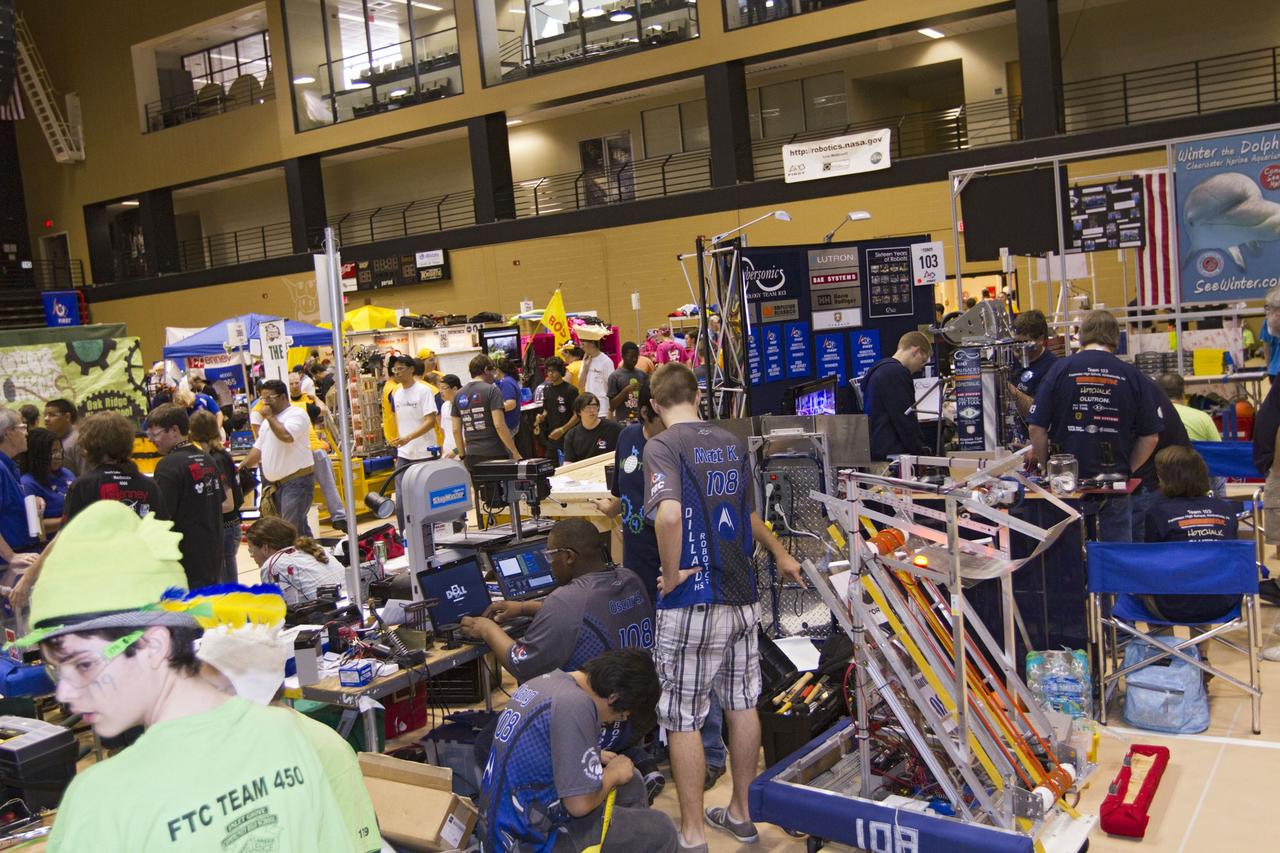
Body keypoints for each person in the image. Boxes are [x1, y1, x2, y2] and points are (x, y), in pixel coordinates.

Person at [16, 501, 355, 851]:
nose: (66, 694)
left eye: (83, 664)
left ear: (152, 644)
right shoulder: (288, 736)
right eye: (57, 668)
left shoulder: (101, 801)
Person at [643, 363, 803, 851]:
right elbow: (749, 514)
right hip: (742, 597)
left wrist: (671, 575)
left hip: (693, 602)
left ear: (654, 405)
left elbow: (668, 513)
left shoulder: (662, 446)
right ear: (698, 395)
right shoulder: (732, 443)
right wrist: (779, 552)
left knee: (683, 717)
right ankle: (741, 813)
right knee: (742, 703)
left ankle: (692, 834)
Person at [479, 650, 676, 853]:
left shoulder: (549, 682)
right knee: (661, 830)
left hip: (505, 826)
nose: (611, 722)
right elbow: (578, 805)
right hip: (531, 842)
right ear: (613, 697)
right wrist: (614, 774)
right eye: (621, 716)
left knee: (632, 782)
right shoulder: (576, 705)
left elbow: (541, 746)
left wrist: (582, 749)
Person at [1029, 310, 1163, 542]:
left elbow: (1036, 428)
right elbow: (1150, 437)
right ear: (1115, 337)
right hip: (1114, 483)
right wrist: (1126, 469)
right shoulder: (1132, 375)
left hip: (1067, 484)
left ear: (1081, 335)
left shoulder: (1059, 370)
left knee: (1066, 555)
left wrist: (1046, 468)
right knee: (1116, 559)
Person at [1142, 446, 1241, 626]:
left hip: (1170, 607)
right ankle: (1201, 652)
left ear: (1163, 478)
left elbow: (1151, 564)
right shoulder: (1226, 509)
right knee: (1207, 576)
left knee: (1156, 581)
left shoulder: (1157, 513)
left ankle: (1164, 649)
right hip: (1224, 601)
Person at [253, 373, 348, 533]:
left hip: (315, 450)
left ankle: (339, 517)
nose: (296, 386)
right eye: (292, 384)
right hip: (299, 459)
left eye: (298, 383)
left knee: (328, 485)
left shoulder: (304, 403)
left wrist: (316, 398)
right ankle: (336, 519)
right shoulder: (269, 408)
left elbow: (323, 411)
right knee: (298, 520)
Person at [146, 404, 224, 589]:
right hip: (212, 553)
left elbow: (161, 516)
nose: (151, 440)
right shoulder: (208, 459)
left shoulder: (168, 465)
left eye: (155, 434)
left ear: (174, 430)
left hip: (184, 559)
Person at [241, 380, 316, 537]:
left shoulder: (296, 414)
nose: (265, 403)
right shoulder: (268, 423)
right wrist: (242, 465)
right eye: (263, 399)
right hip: (276, 486)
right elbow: (258, 449)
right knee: (297, 531)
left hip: (297, 482)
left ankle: (304, 559)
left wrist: (269, 417)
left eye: (270, 398)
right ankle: (315, 558)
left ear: (283, 397)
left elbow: (286, 436)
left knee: (290, 531)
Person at [60, 411, 166, 523]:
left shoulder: (82, 486)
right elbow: (163, 529)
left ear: (88, 444)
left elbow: (70, 532)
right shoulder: (149, 485)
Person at [189, 410, 243, 585]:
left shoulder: (216, 459)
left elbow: (227, 503)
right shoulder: (218, 455)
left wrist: (197, 509)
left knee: (227, 584)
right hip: (227, 527)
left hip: (226, 528)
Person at [862, 331, 932, 462]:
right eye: (922, 361)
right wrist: (920, 451)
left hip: (878, 452)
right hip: (892, 456)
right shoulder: (896, 373)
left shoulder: (879, 370)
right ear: (915, 351)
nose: (919, 368)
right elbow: (904, 418)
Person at [245, 517, 345, 604]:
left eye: (251, 549)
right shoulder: (316, 547)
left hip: (324, 619)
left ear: (265, 547)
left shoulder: (273, 564)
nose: (251, 555)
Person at [453, 354, 520, 470]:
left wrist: (462, 455)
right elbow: (499, 425)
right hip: (495, 452)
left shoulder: (458, 394)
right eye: (493, 370)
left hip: (472, 454)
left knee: (480, 488)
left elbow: (456, 430)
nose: (494, 375)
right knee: (500, 488)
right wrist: (514, 451)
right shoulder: (492, 390)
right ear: (485, 370)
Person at [0, 409, 38, 573]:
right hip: (6, 564)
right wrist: (10, 556)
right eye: (22, 428)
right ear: (8, 433)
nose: (27, 433)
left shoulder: (10, 465)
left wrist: (31, 501)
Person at [1005, 309, 1059, 424]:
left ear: (1039, 340)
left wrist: (1006, 386)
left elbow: (1037, 411)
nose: (1017, 347)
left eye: (1023, 342)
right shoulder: (1006, 356)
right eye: (1014, 342)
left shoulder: (1052, 367)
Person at [19, 427, 74, 536]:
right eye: (53, 452)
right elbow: (33, 526)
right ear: (37, 455)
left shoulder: (67, 473)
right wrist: (69, 521)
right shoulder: (28, 483)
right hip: (47, 545)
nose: (58, 456)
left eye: (60, 451)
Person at [536, 357, 579, 465]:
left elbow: (577, 415)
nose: (550, 374)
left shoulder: (571, 390)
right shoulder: (546, 389)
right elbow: (547, 410)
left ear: (560, 371)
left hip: (569, 435)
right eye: (548, 371)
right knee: (551, 467)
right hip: (552, 436)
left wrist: (562, 430)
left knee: (569, 466)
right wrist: (541, 417)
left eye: (553, 371)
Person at [1157, 372, 1222, 442]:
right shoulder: (1203, 417)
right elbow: (1218, 448)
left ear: (1157, 393)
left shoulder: (1151, 417)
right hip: (1194, 452)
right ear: (1183, 394)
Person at [563, 393, 622, 463]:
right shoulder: (571, 435)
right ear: (579, 412)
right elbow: (568, 463)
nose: (592, 410)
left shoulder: (614, 428)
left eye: (594, 406)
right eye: (587, 407)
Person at [607, 342, 649, 423]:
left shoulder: (642, 375)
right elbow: (612, 406)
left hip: (641, 421)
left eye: (636, 357)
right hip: (623, 422)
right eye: (631, 357)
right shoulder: (615, 376)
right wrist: (626, 391)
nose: (634, 359)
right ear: (623, 356)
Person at [43, 398, 84, 476]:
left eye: (52, 415)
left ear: (67, 417)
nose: (46, 419)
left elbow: (86, 476)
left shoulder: (79, 440)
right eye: (45, 415)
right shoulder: (50, 440)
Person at [577, 331, 614, 402]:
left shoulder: (606, 362)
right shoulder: (585, 360)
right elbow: (580, 385)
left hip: (603, 407)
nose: (581, 347)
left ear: (592, 343)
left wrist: (611, 410)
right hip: (588, 404)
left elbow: (611, 387)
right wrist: (585, 367)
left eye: (583, 344)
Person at [494, 356, 523, 439]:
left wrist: (493, 408)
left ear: (498, 370)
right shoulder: (508, 380)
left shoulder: (506, 382)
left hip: (508, 425)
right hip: (511, 423)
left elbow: (510, 404)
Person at [438, 373, 463, 458]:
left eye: (444, 388)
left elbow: (469, 435)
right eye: (439, 388)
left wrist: (456, 451)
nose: (440, 391)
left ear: (455, 389)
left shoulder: (464, 405)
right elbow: (445, 432)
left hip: (461, 454)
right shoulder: (444, 406)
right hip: (447, 454)